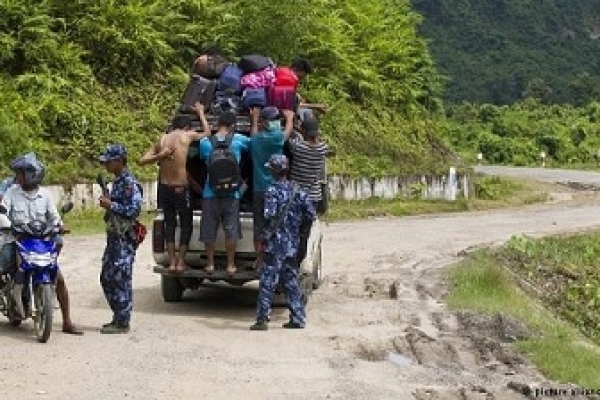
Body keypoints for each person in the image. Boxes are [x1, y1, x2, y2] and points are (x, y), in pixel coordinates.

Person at [1, 152, 83, 335]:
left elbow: (54, 217)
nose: (17, 177)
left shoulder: (45, 195)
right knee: (1, 268)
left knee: (59, 279)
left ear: (31, 174)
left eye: (20, 173)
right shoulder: (12, 192)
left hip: (40, 244)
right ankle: (8, 300)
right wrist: (6, 224)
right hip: (16, 241)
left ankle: (67, 322)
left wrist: (61, 226)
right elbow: (4, 211)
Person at [138, 103, 210, 272]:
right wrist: (201, 112)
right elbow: (207, 133)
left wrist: (160, 156)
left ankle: (171, 262)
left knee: (169, 225)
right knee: (186, 224)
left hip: (165, 188)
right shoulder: (186, 136)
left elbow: (141, 161)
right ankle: (180, 261)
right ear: (186, 127)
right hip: (181, 188)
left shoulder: (162, 139)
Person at [251, 154, 315, 331]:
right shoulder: (298, 191)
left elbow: (269, 215)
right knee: (290, 281)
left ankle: (262, 319)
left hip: (275, 244)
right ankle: (298, 318)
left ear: (273, 171)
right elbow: (310, 214)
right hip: (291, 244)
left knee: (267, 281)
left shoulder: (272, 191)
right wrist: (299, 231)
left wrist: (265, 236)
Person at [198, 111, 250, 275]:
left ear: (218, 124)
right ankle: (230, 265)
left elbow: (202, 161)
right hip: (232, 193)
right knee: (231, 229)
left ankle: (211, 264)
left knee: (209, 229)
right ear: (232, 126)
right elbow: (253, 145)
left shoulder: (205, 142)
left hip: (210, 192)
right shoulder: (239, 140)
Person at [98, 144, 143, 334]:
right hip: (114, 238)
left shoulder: (129, 183)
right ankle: (118, 316)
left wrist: (111, 205)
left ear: (118, 161)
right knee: (107, 277)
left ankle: (123, 321)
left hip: (124, 238)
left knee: (121, 279)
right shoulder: (117, 182)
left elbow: (134, 209)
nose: (106, 165)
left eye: (109, 162)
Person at [249, 106, 295, 270]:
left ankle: (259, 258)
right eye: (274, 120)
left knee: (259, 226)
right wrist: (289, 118)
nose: (276, 123)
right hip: (275, 191)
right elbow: (287, 133)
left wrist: (254, 119)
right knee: (275, 225)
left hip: (258, 191)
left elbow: (253, 133)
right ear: (268, 122)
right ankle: (273, 258)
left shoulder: (255, 140)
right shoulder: (275, 138)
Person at [289, 117, 332, 267]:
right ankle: (297, 262)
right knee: (304, 233)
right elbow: (323, 144)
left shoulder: (298, 147)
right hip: (312, 197)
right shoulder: (322, 149)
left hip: (295, 196)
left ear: (304, 131)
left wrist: (290, 122)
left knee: (292, 231)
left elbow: (290, 137)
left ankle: (289, 261)